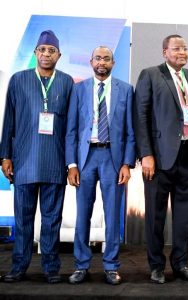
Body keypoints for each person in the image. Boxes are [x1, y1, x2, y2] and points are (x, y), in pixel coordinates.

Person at [134, 34, 188, 284]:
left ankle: (181, 264)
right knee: (155, 216)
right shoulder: (151, 74)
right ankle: (156, 266)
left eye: (185, 49)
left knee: (184, 216)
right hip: (158, 158)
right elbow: (141, 116)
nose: (182, 52)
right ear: (164, 51)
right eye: (177, 48)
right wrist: (146, 154)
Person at [0, 30, 74, 283]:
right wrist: (5, 156)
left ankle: (51, 268)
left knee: (52, 220)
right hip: (24, 162)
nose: (46, 54)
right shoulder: (18, 80)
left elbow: (72, 127)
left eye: (51, 50)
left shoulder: (66, 82)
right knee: (23, 220)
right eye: (42, 50)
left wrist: (71, 162)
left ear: (59, 55)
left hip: (55, 161)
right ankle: (18, 267)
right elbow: (8, 120)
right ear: (35, 53)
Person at [65, 46, 136, 285]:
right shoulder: (78, 89)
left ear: (113, 63)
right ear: (90, 61)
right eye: (98, 58)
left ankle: (111, 266)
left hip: (112, 159)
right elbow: (71, 130)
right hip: (85, 159)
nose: (102, 62)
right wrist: (72, 164)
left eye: (106, 58)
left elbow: (130, 132)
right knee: (82, 214)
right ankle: (81, 265)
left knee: (113, 215)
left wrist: (127, 163)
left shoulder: (126, 90)